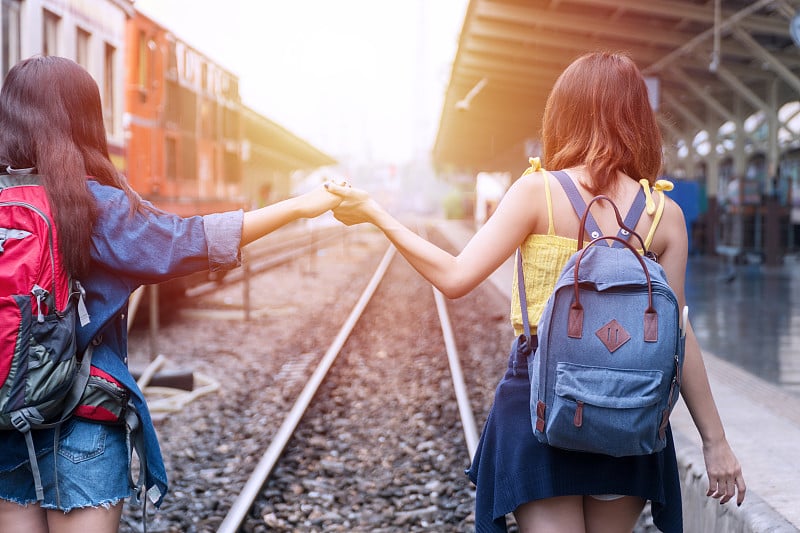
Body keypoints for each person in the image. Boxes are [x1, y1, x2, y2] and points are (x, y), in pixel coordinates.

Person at [326, 51, 745, 532]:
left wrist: (378, 214)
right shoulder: (662, 214)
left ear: (564, 114)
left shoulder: (537, 193)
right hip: (630, 411)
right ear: (638, 119)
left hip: (541, 405)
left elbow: (455, 277)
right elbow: (677, 336)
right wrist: (716, 442)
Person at [0, 55, 340, 533]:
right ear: (83, 120)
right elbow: (189, 241)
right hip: (81, 417)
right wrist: (301, 206)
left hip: (5, 419)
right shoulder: (91, 203)